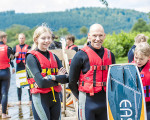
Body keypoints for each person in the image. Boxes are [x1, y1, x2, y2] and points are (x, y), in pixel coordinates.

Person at [69, 23, 115, 120]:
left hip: (105, 102)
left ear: (104, 36)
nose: (98, 39)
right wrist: (81, 97)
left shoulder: (110, 55)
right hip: (87, 102)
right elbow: (72, 82)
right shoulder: (80, 55)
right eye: (94, 35)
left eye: (100, 35)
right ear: (89, 36)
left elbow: (113, 79)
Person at [25, 25, 69, 120]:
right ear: (36, 39)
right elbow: (41, 83)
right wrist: (58, 77)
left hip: (56, 98)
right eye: (43, 38)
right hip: (40, 99)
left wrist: (52, 78)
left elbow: (67, 78)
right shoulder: (31, 57)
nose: (47, 41)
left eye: (49, 38)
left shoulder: (53, 56)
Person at [13, 33, 32, 105]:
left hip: (26, 67)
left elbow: (31, 57)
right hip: (18, 67)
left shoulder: (28, 47)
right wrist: (15, 55)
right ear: (18, 39)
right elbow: (11, 58)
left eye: (22, 38)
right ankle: (19, 100)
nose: (21, 39)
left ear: (25, 39)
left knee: (28, 83)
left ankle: (30, 100)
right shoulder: (15, 48)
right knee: (19, 84)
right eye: (20, 38)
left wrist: (28, 53)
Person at [133, 42, 150, 119]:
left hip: (148, 104)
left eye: (141, 59)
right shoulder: (130, 67)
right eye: (136, 58)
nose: (138, 61)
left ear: (148, 57)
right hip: (135, 103)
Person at [0, 31, 15, 118]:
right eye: (5, 38)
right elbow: (12, 57)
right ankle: (4, 114)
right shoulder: (8, 48)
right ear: (3, 38)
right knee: (4, 93)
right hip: (5, 72)